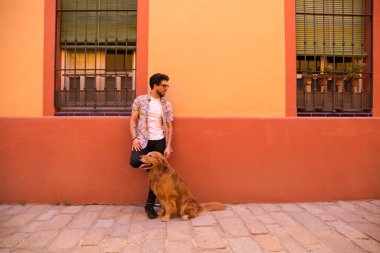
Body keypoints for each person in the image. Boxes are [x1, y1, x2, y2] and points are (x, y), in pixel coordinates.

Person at [129, 73, 173, 219]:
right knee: (135, 161)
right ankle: (150, 169)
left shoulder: (166, 104)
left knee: (157, 175)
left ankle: (150, 205)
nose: (166, 88)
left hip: (159, 141)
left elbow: (169, 126)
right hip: (142, 140)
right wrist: (134, 138)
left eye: (167, 85)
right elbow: (132, 120)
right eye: (164, 85)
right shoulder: (140, 100)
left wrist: (168, 146)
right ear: (155, 85)